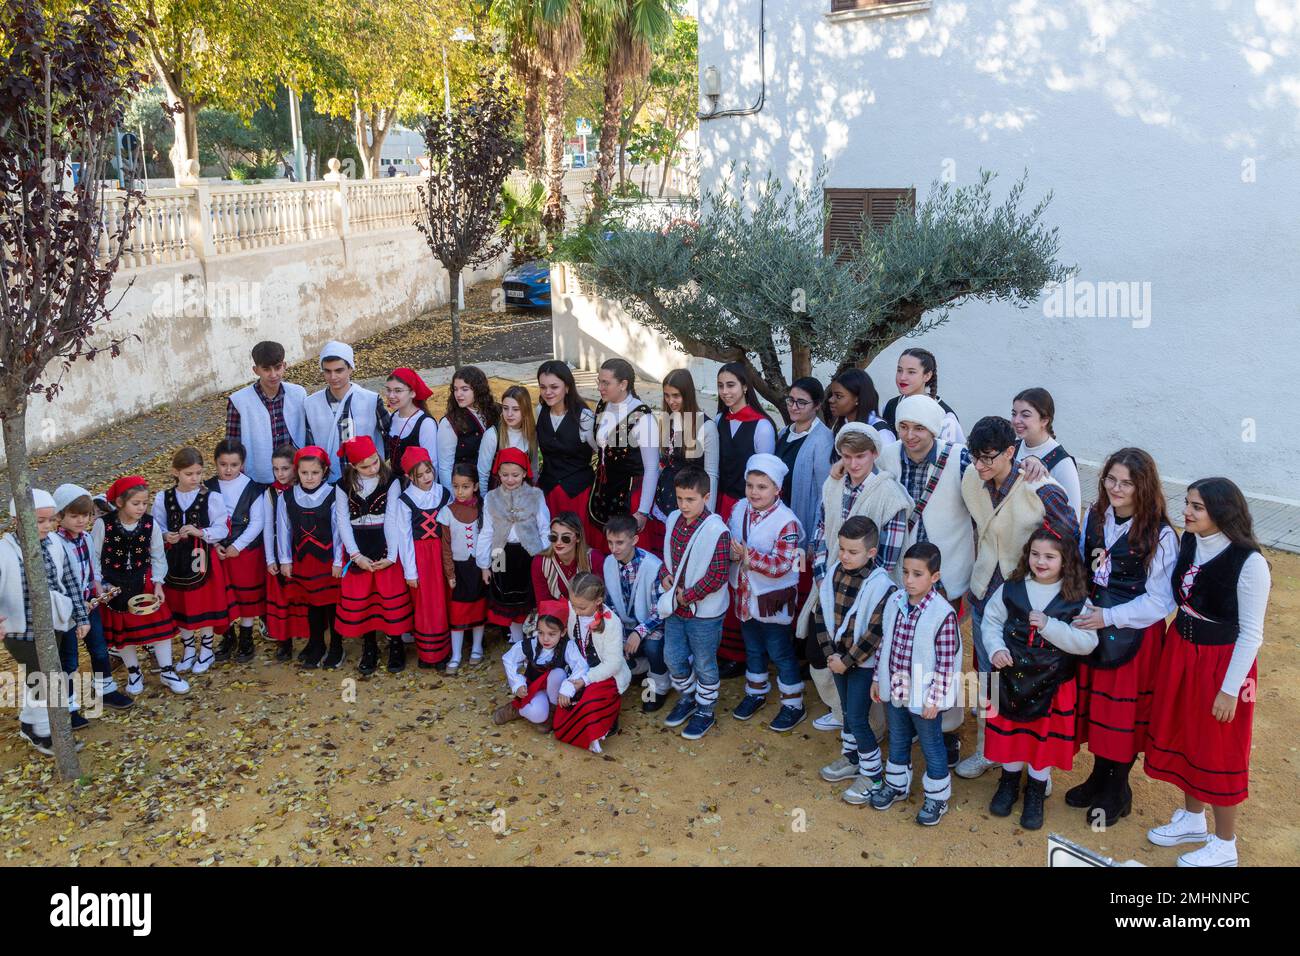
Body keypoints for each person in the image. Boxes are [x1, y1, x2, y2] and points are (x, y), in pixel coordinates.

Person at [1144, 478, 1271, 868]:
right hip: (1182, 650)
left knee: (1219, 747)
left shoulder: (1249, 562)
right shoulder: (1189, 541)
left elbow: (1251, 633)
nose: (1187, 512)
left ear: (1221, 511)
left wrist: (1230, 690)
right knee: (1188, 734)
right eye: (1188, 504)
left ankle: (1225, 843)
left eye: (1196, 507)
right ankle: (1194, 820)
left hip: (1221, 663)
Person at [958, 415, 1077, 780]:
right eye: (975, 457)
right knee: (988, 677)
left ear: (1012, 451)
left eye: (988, 458)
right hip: (983, 595)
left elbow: (1069, 535)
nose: (980, 466)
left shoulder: (1041, 487)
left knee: (1031, 680)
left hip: (1025, 604)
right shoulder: (971, 479)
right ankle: (988, 751)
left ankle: (1038, 768)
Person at [1068, 448, 1178, 826]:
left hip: (1133, 638)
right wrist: (1083, 606)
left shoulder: (1160, 534)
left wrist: (1109, 616)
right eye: (1110, 479)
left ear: (1142, 486)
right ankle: (1099, 776)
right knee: (1099, 708)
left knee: (1123, 714)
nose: (1116, 488)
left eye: (1126, 483)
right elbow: (1083, 566)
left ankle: (1118, 789)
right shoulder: (1095, 517)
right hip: (1095, 627)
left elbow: (1161, 600)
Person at [982, 524, 1098, 830]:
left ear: (1066, 561)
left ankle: (1035, 790)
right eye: (1035, 554)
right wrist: (995, 649)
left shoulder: (1076, 599)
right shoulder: (1012, 587)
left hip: (1053, 683)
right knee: (1012, 734)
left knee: (1041, 741)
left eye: (1050, 556)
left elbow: (1088, 643)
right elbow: (992, 622)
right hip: (1010, 677)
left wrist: (1049, 626)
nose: (1041, 562)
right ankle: (1008, 783)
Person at [804, 422, 911, 740]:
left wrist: (861, 593)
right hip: (828, 589)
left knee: (863, 660)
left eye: (861, 456)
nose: (853, 463)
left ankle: (870, 727)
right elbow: (820, 533)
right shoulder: (832, 485)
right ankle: (842, 713)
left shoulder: (890, 496)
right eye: (846, 456)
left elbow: (887, 559)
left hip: (868, 594)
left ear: (874, 454)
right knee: (820, 651)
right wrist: (823, 576)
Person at [871, 542, 961, 826]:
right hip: (896, 688)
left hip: (925, 696)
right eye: (906, 572)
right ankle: (897, 785)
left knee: (931, 745)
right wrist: (877, 678)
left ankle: (937, 797)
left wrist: (935, 698)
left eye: (918, 574)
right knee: (897, 738)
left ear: (934, 576)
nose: (909, 580)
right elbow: (884, 643)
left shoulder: (942, 614)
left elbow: (947, 663)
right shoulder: (896, 602)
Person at [811, 516, 897, 805]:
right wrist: (830, 656)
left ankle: (872, 775)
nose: (845, 556)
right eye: (842, 549)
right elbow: (820, 612)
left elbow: (875, 632)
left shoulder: (882, 586)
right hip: (836, 659)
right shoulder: (835, 571)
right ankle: (851, 758)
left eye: (853, 551)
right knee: (847, 712)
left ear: (871, 553)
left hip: (861, 665)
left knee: (859, 718)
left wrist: (847, 661)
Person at [1, 489, 91, 754]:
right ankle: (44, 731)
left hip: (55, 623)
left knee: (39, 675)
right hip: (21, 629)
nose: (48, 526)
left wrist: (80, 616)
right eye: (40, 521)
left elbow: (71, 581)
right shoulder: (4, 551)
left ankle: (30, 724)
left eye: (51, 520)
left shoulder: (55, 544)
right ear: (18, 521)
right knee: (45, 676)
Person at [728, 454, 806, 732]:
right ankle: (756, 691)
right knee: (752, 647)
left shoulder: (788, 522)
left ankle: (793, 703)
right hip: (746, 596)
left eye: (762, 487)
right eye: (750, 485)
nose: (754, 492)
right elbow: (729, 541)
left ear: (777, 489)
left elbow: (785, 564)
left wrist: (748, 557)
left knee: (780, 650)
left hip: (774, 598)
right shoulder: (739, 509)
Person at [657, 466, 732, 741]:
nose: (684, 505)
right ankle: (689, 697)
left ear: (706, 497)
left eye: (691, 499)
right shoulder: (673, 519)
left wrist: (684, 596)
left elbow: (717, 576)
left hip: (705, 613)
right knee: (673, 657)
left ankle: (705, 710)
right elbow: (666, 556)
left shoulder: (718, 531)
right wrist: (665, 576)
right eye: (679, 498)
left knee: (704, 662)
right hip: (676, 608)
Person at [92, 476, 184, 694]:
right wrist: (97, 584)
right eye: (136, 503)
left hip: (144, 582)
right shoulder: (102, 525)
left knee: (159, 628)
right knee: (124, 633)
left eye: (145, 503)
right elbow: (94, 556)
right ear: (120, 502)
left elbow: (158, 554)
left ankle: (167, 670)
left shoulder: (150, 524)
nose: (142, 508)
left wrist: (159, 584)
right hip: (113, 585)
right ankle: (134, 672)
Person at [332, 436, 412, 675]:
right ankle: (370, 646)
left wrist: (391, 554)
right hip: (359, 547)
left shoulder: (391, 481)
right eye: (364, 466)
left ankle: (396, 644)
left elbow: (392, 518)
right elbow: (343, 522)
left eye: (375, 462)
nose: (372, 469)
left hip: (386, 546)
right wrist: (356, 556)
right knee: (364, 599)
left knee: (389, 598)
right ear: (353, 466)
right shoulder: (342, 485)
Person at [714, 362, 774, 676]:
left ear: (745, 387)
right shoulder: (719, 420)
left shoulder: (762, 425)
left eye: (731, 385)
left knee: (743, 576)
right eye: (721, 386)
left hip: (748, 509)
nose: (725, 392)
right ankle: (725, 648)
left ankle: (746, 652)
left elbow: (765, 476)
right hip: (721, 505)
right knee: (723, 575)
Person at [154, 446, 235, 675]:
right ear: (175, 472)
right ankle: (189, 648)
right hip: (175, 561)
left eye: (198, 473)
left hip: (203, 561)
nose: (195, 478)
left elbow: (222, 527)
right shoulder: (164, 498)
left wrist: (201, 532)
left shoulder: (212, 497)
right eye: (189, 474)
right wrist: (164, 534)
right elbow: (157, 525)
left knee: (205, 604)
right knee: (180, 604)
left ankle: (206, 649)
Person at [53, 483, 133, 711]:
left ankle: (105, 689)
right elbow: (60, 581)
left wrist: (100, 589)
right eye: (74, 515)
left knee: (99, 648)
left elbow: (92, 569)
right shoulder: (55, 544)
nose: (81, 520)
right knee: (68, 659)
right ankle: (66, 705)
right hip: (67, 610)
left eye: (86, 515)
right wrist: (78, 604)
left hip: (90, 605)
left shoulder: (86, 538)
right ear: (60, 515)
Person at [277, 446, 342, 669]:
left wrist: (338, 560)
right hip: (303, 559)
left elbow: (338, 529)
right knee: (312, 604)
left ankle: (336, 645)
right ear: (297, 472)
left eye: (315, 472)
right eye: (304, 473)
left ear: (324, 471)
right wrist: (285, 559)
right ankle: (316, 644)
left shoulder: (333, 494)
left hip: (328, 560)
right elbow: (284, 529)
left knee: (332, 604)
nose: (309, 477)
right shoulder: (287, 496)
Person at [476, 448, 550, 644]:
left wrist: (544, 556)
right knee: (505, 595)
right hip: (500, 552)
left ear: (525, 473)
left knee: (529, 597)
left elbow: (544, 528)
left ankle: (533, 639)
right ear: (498, 474)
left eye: (515, 475)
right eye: (505, 475)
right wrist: (484, 565)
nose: (510, 479)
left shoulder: (536, 495)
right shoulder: (491, 497)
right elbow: (487, 532)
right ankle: (517, 640)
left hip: (530, 552)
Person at [552, 573, 631, 753]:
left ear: (598, 601)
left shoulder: (612, 623)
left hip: (605, 674)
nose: (575, 610)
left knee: (589, 702)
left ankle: (603, 724)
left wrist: (585, 680)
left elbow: (613, 664)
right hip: (580, 667)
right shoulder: (574, 608)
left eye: (581, 607)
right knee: (566, 702)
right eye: (572, 604)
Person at [774, 377, 833, 619]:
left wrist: (811, 540)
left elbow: (824, 492)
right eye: (791, 400)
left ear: (817, 405)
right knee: (779, 582)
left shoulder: (823, 439)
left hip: (803, 529)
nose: (794, 407)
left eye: (801, 402)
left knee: (800, 584)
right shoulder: (783, 432)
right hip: (779, 525)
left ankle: (796, 645)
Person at [391, 446, 453, 671]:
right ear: (409, 477)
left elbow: (449, 527)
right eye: (420, 475)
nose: (427, 477)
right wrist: (410, 571)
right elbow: (404, 536)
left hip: (440, 554)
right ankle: (428, 653)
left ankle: (445, 651)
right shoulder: (405, 500)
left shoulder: (444, 493)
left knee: (443, 601)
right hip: (420, 558)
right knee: (426, 604)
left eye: (429, 471)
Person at [207, 439, 267, 665]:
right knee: (222, 595)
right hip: (218, 549)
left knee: (246, 595)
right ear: (216, 463)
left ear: (242, 464)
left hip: (245, 551)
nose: (228, 469)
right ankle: (227, 635)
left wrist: (237, 546)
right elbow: (203, 519)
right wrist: (214, 543)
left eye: (234, 464)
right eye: (223, 464)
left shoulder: (253, 488)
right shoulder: (208, 487)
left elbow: (257, 522)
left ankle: (246, 636)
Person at [649, 369, 719, 556]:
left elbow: (711, 473)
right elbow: (661, 463)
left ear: (687, 395)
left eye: (676, 395)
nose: (671, 401)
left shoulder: (706, 426)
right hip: (662, 503)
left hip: (690, 505)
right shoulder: (666, 420)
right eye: (666, 395)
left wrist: (707, 518)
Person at [589, 358, 658, 545]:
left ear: (623, 384)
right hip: (602, 493)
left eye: (606, 383)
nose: (600, 387)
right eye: (599, 381)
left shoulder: (643, 418)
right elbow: (601, 446)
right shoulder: (602, 405)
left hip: (629, 498)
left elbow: (652, 468)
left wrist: (643, 511)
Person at [601, 513, 667, 711]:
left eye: (620, 542)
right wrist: (619, 636)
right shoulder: (608, 563)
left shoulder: (653, 566)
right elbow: (610, 605)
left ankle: (657, 687)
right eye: (610, 542)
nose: (614, 549)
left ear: (635, 540)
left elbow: (659, 612)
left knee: (653, 647)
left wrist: (639, 632)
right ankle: (638, 667)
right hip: (625, 626)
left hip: (652, 624)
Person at [493, 598, 588, 729]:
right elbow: (508, 659)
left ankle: (553, 712)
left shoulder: (568, 647)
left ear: (563, 632)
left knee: (558, 673)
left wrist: (568, 688)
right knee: (538, 715)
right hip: (534, 690)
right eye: (541, 633)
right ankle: (516, 710)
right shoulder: (530, 645)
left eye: (551, 634)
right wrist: (518, 683)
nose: (545, 639)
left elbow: (581, 666)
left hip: (556, 693)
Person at [534, 361, 600, 548]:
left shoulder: (585, 417)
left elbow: (600, 452)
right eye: (543, 387)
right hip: (548, 492)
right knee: (550, 543)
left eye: (554, 387)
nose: (548, 392)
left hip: (577, 493)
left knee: (576, 545)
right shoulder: (540, 412)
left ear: (568, 387)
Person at [225, 340, 307, 484]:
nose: (273, 374)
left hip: (295, 474)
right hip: (258, 477)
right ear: (256, 370)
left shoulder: (298, 394)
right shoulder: (239, 401)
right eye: (266, 369)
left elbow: (307, 432)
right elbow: (233, 444)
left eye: (277, 367)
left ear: (284, 366)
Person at [304, 340, 387, 482]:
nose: (333, 377)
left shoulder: (371, 400)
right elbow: (310, 445)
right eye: (327, 371)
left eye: (339, 370)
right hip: (329, 482)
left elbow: (389, 433)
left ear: (350, 368)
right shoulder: (311, 404)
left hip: (368, 479)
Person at [440, 463, 489, 671]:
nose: (460, 491)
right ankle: (457, 653)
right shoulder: (447, 512)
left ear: (475, 486)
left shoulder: (484, 509)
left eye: (466, 486)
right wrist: (449, 572)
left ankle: (477, 647)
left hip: (478, 568)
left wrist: (491, 566)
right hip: (459, 569)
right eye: (456, 486)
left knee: (479, 606)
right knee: (458, 611)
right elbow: (446, 546)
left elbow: (491, 539)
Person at [262, 444, 307, 661]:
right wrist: (271, 558)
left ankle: (309, 637)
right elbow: (267, 527)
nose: (280, 474)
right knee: (281, 598)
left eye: (285, 468)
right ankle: (284, 641)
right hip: (280, 554)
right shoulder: (270, 493)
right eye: (276, 469)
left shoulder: (304, 488)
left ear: (295, 468)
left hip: (301, 551)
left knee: (302, 596)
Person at [1011, 387, 1082, 520]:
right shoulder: (1012, 447)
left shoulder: (1063, 463)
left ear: (1045, 420)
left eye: (1025, 415)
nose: (1016, 420)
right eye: (1014, 413)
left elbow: (1073, 517)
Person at [881, 348, 963, 444]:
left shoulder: (946, 416)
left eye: (911, 372)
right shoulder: (890, 406)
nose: (902, 377)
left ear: (927, 376)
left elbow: (952, 454)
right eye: (899, 370)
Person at [437, 365, 499, 492]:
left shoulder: (496, 411)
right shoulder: (449, 423)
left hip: (496, 484)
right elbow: (445, 468)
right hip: (466, 490)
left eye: (464, 389)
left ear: (478, 389)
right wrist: (453, 499)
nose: (458, 394)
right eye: (455, 389)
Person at [383, 367, 439, 486]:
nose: (391, 395)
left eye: (398, 390)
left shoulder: (425, 423)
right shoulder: (393, 417)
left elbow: (432, 463)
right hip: (395, 487)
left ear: (412, 393)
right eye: (388, 390)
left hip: (418, 490)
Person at [478, 384, 538, 492]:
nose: (509, 414)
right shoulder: (493, 435)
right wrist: (484, 501)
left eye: (515, 409)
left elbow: (533, 470)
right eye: (505, 408)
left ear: (525, 411)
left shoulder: (531, 434)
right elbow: (483, 473)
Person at [826, 368, 894, 457]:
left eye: (838, 396)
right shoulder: (841, 424)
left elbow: (887, 467)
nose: (831, 400)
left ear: (857, 399)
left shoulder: (880, 432)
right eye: (832, 395)